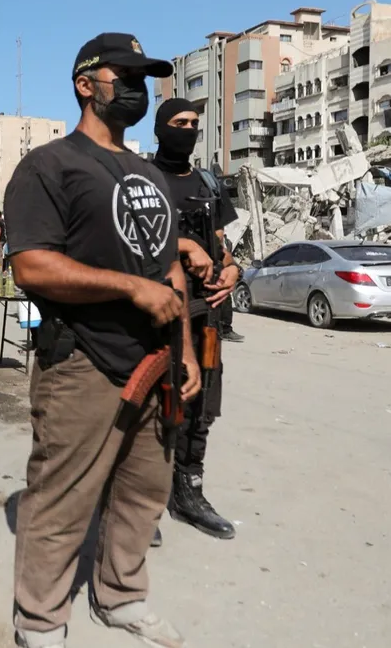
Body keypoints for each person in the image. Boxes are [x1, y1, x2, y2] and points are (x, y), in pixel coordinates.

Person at [4, 33, 200, 648]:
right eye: (127, 77)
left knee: (144, 493)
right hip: (81, 361)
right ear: (85, 84)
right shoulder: (49, 165)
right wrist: (127, 288)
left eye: (144, 78)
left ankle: (120, 597)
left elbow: (168, 267)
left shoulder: (149, 173)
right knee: (61, 498)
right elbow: (31, 265)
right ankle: (40, 620)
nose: (139, 89)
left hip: (156, 361)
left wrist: (186, 349)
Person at [151, 98, 241, 542]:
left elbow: (223, 246)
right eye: (179, 122)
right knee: (153, 404)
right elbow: (129, 245)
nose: (188, 130)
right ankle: (141, 500)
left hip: (206, 314)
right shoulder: (142, 180)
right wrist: (182, 245)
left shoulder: (208, 183)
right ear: (160, 128)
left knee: (200, 406)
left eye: (193, 123)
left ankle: (188, 492)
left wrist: (234, 271)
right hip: (157, 309)